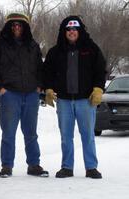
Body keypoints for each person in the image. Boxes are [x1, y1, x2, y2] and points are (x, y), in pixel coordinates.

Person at [0, 13, 48, 178]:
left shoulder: (32, 45)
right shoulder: (0, 45)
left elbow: (40, 68)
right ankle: (7, 166)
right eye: (13, 25)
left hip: (31, 94)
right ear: (9, 27)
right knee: (8, 133)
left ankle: (34, 165)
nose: (17, 28)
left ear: (25, 27)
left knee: (31, 132)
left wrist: (40, 86)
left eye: (20, 25)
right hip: (10, 94)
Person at [43, 16, 106, 179]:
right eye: (69, 30)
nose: (72, 32)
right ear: (64, 32)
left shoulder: (91, 49)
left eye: (75, 29)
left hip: (86, 100)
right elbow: (47, 72)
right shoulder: (55, 52)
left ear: (80, 31)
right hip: (64, 101)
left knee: (88, 135)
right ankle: (67, 167)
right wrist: (48, 88)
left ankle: (91, 167)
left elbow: (100, 70)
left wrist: (98, 88)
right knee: (66, 136)